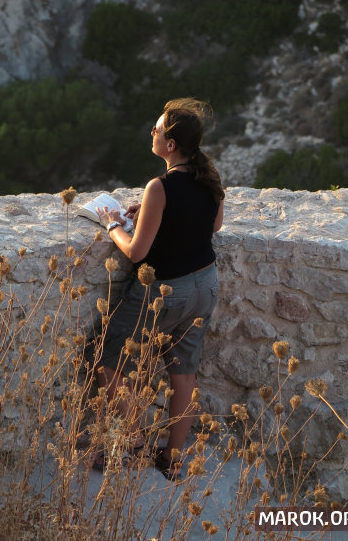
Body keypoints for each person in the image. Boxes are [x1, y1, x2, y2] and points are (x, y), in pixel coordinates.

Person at [92, 97, 225, 480]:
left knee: (109, 360)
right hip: (205, 284)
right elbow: (213, 225)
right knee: (183, 374)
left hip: (165, 291)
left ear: (170, 144)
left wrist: (112, 223)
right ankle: (172, 458)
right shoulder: (209, 177)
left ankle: (132, 442)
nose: (151, 132)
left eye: (157, 128)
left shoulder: (160, 186)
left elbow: (136, 252)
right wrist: (151, 211)